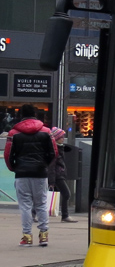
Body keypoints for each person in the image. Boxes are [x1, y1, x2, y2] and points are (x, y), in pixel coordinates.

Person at [3, 105, 58, 247]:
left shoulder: (13, 133)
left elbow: (8, 155)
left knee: (25, 206)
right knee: (41, 204)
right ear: (35, 115)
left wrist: (14, 168)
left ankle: (27, 237)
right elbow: (54, 153)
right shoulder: (46, 132)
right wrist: (44, 165)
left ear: (21, 115)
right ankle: (44, 235)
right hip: (40, 173)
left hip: (21, 173)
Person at [48, 128, 77, 223]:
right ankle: (65, 215)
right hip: (57, 176)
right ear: (56, 138)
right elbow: (51, 166)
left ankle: (34, 212)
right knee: (66, 194)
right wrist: (51, 181)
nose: (63, 139)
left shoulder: (59, 147)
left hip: (59, 174)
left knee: (44, 195)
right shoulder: (55, 149)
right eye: (61, 137)